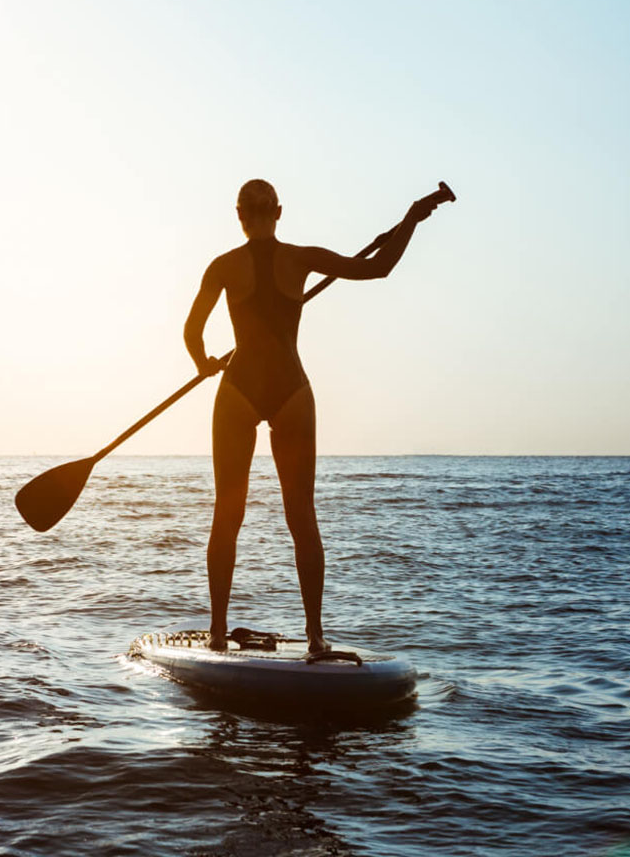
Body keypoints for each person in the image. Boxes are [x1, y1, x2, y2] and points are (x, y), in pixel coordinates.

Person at [184, 180, 440, 654]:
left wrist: (202, 363)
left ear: (239, 216)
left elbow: (192, 332)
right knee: (302, 517)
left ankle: (218, 633)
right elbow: (378, 267)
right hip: (291, 391)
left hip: (238, 389)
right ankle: (315, 638)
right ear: (278, 212)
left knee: (227, 515)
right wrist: (412, 218)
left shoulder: (222, 266)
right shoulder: (301, 258)